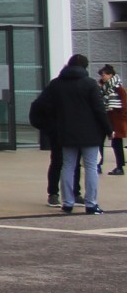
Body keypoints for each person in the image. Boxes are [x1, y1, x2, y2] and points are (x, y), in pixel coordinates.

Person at [30, 53, 108, 216]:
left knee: (67, 165)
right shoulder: (90, 84)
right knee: (91, 166)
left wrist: (48, 127)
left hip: (65, 131)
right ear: (85, 67)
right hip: (89, 132)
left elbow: (39, 106)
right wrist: (108, 129)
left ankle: (67, 203)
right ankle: (91, 204)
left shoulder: (56, 84)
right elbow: (99, 109)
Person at [99, 64, 125, 176]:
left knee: (116, 143)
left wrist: (122, 117)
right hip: (105, 118)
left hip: (116, 119)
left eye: (103, 74)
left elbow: (125, 104)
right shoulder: (103, 88)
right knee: (99, 142)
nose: (102, 77)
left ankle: (120, 167)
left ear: (110, 75)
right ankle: (98, 165)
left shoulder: (118, 88)